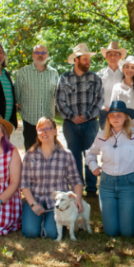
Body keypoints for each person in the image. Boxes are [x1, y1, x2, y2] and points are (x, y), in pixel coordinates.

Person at [85, 101, 134, 237]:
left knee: (127, 232)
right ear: (108, 118)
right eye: (112, 115)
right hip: (107, 185)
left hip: (128, 184)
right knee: (111, 232)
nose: (115, 118)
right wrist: (93, 166)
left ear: (126, 117)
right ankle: (123, 215)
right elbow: (89, 153)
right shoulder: (101, 136)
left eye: (119, 115)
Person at [20, 116, 84, 239]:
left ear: (55, 131)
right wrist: (33, 205)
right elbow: (25, 184)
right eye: (40, 129)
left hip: (57, 203)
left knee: (52, 234)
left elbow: (76, 180)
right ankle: (38, 219)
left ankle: (48, 222)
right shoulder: (30, 155)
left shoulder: (66, 155)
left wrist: (78, 199)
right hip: (35, 199)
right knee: (30, 232)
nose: (44, 132)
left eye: (48, 129)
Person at [56, 43, 103, 197]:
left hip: (90, 123)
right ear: (76, 60)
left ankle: (91, 189)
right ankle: (77, 188)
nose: (88, 62)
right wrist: (73, 117)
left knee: (90, 154)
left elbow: (99, 100)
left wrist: (86, 116)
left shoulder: (95, 78)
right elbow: (59, 100)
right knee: (73, 156)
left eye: (89, 59)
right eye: (85, 59)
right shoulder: (64, 78)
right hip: (70, 124)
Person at [14, 44, 59, 148]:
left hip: (48, 123)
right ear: (32, 55)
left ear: (48, 55)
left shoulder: (54, 73)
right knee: (31, 152)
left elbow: (56, 95)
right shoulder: (23, 72)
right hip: (30, 121)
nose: (40, 55)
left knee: (49, 152)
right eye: (37, 52)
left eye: (43, 52)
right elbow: (17, 96)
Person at [96, 41, 127, 127]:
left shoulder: (124, 74)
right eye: (110, 54)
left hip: (121, 113)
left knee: (121, 139)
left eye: (115, 54)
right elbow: (96, 94)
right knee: (106, 138)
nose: (112, 57)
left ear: (120, 56)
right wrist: (102, 107)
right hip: (104, 112)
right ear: (106, 56)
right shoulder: (100, 74)